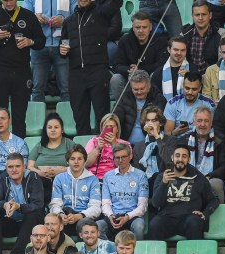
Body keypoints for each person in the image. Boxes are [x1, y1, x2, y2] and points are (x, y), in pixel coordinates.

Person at [0, 0, 45, 137]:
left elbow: (41, 41)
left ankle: (19, 153)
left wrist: (30, 42)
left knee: (19, 115)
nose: (9, 3)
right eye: (6, 0)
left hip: (21, 72)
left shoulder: (28, 16)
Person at [147, 142, 219, 240]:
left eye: (184, 156)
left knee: (195, 222)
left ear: (189, 159)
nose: (180, 159)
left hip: (188, 218)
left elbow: (214, 200)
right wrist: (164, 183)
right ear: (172, 158)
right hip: (167, 218)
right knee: (154, 224)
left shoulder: (198, 177)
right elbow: (155, 203)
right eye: (177, 156)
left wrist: (205, 214)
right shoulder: (162, 176)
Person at [60, 0, 110, 135]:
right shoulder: (68, 21)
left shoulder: (101, 13)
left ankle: (104, 153)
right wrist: (62, 51)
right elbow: (63, 44)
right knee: (80, 118)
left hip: (98, 71)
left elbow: (116, 3)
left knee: (102, 116)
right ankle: (84, 152)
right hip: (76, 74)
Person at [110, 12, 168, 101]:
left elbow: (161, 65)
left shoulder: (160, 41)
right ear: (133, 28)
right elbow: (117, 64)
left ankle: (153, 105)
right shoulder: (125, 40)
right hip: (130, 78)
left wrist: (140, 69)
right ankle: (124, 108)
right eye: (137, 27)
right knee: (116, 78)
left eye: (144, 27)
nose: (141, 31)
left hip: (150, 78)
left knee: (156, 74)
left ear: (150, 27)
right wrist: (129, 69)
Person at [48, 145, 101, 236]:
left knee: (83, 225)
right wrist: (61, 215)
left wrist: (79, 216)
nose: (76, 162)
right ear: (67, 161)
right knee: (51, 222)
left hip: (84, 217)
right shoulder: (59, 178)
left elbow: (96, 208)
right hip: (65, 215)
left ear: (84, 161)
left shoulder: (93, 179)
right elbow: (55, 204)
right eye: (72, 159)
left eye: (80, 159)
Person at [114, 71, 167, 148]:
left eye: (142, 89)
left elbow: (162, 123)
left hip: (150, 145)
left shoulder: (158, 99)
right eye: (135, 89)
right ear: (131, 88)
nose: (139, 92)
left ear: (149, 86)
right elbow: (116, 118)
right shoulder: (124, 97)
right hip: (126, 147)